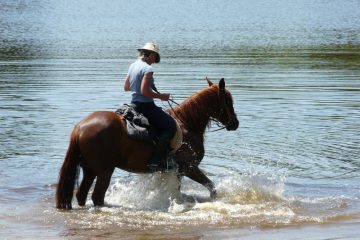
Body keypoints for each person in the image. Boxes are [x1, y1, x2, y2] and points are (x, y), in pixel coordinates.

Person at [123, 42, 177, 170]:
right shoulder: (148, 69)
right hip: (146, 107)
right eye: (155, 57)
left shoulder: (133, 66)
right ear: (150, 54)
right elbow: (144, 92)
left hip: (134, 105)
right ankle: (156, 161)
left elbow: (126, 87)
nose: (154, 61)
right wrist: (161, 96)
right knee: (170, 127)